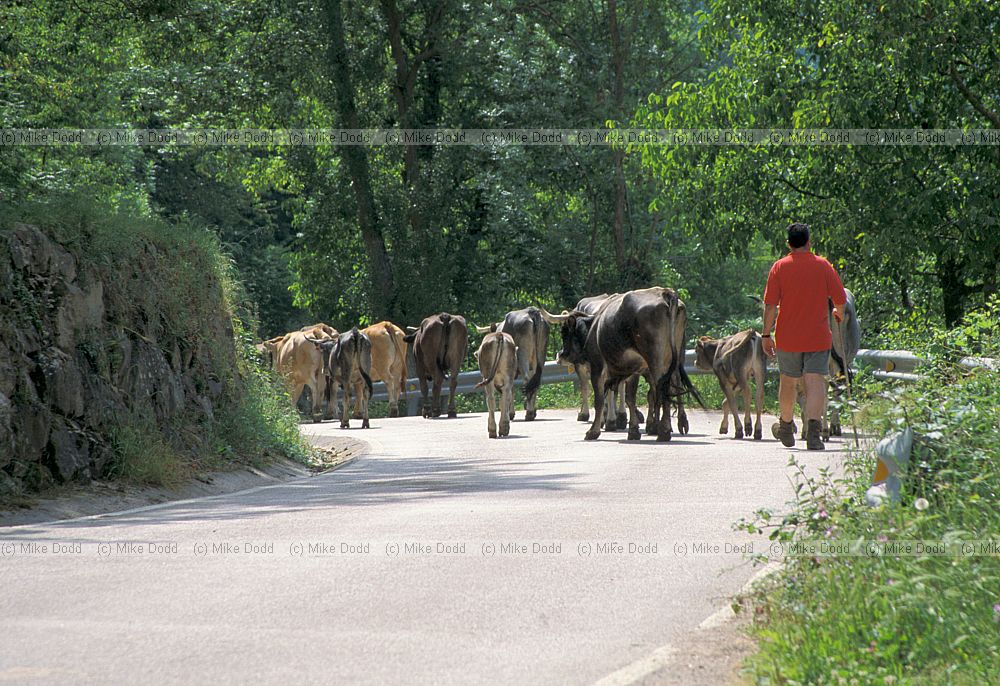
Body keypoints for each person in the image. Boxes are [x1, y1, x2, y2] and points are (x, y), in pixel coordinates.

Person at [761, 223, 846, 450]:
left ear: (788, 244)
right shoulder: (823, 266)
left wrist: (766, 334)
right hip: (818, 337)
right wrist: (839, 312)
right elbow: (840, 300)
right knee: (815, 382)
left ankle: (787, 426)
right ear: (809, 242)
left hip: (788, 338)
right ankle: (814, 434)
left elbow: (770, 306)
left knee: (788, 382)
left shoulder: (779, 267)